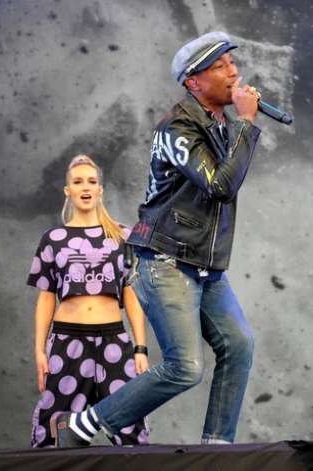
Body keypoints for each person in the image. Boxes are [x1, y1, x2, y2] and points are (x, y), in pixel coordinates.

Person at [52, 31, 262, 447]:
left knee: (239, 344)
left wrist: (239, 127)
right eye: (220, 66)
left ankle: (218, 446)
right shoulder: (178, 128)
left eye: (232, 63)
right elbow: (220, 185)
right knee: (184, 367)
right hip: (165, 259)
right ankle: (79, 427)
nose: (233, 72)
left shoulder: (219, 126)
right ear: (194, 81)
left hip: (204, 265)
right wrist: (249, 123)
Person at [29, 154, 150, 447]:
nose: (86, 187)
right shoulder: (53, 239)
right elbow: (46, 297)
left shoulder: (122, 236)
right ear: (67, 191)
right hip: (67, 342)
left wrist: (140, 348)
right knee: (54, 428)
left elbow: (131, 294)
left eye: (92, 181)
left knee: (131, 424)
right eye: (78, 182)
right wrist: (39, 351)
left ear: (100, 190)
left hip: (113, 341)